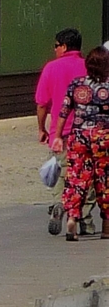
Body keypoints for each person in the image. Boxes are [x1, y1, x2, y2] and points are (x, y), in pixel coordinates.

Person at [50, 45, 109, 241]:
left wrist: (58, 135)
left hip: (79, 136)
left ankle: (72, 221)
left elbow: (64, 111)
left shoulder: (77, 84)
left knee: (76, 177)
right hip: (104, 137)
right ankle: (107, 226)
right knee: (104, 180)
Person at [36, 28, 91, 236]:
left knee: (60, 172)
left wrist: (41, 128)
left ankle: (60, 204)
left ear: (64, 46)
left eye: (56, 45)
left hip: (60, 133)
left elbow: (42, 103)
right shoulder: (89, 67)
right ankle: (84, 218)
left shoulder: (51, 68)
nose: (54, 49)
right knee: (87, 175)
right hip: (88, 131)